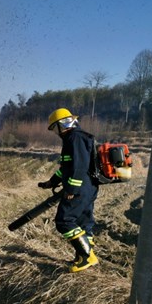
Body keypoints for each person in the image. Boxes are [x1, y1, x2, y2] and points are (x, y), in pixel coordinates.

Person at [38, 108, 99, 273]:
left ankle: (87, 256)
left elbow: (78, 168)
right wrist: (51, 182)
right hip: (88, 187)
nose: (54, 132)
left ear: (61, 124)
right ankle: (83, 256)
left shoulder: (74, 138)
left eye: (54, 128)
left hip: (80, 188)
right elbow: (66, 168)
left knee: (64, 221)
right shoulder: (76, 137)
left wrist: (71, 188)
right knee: (84, 222)